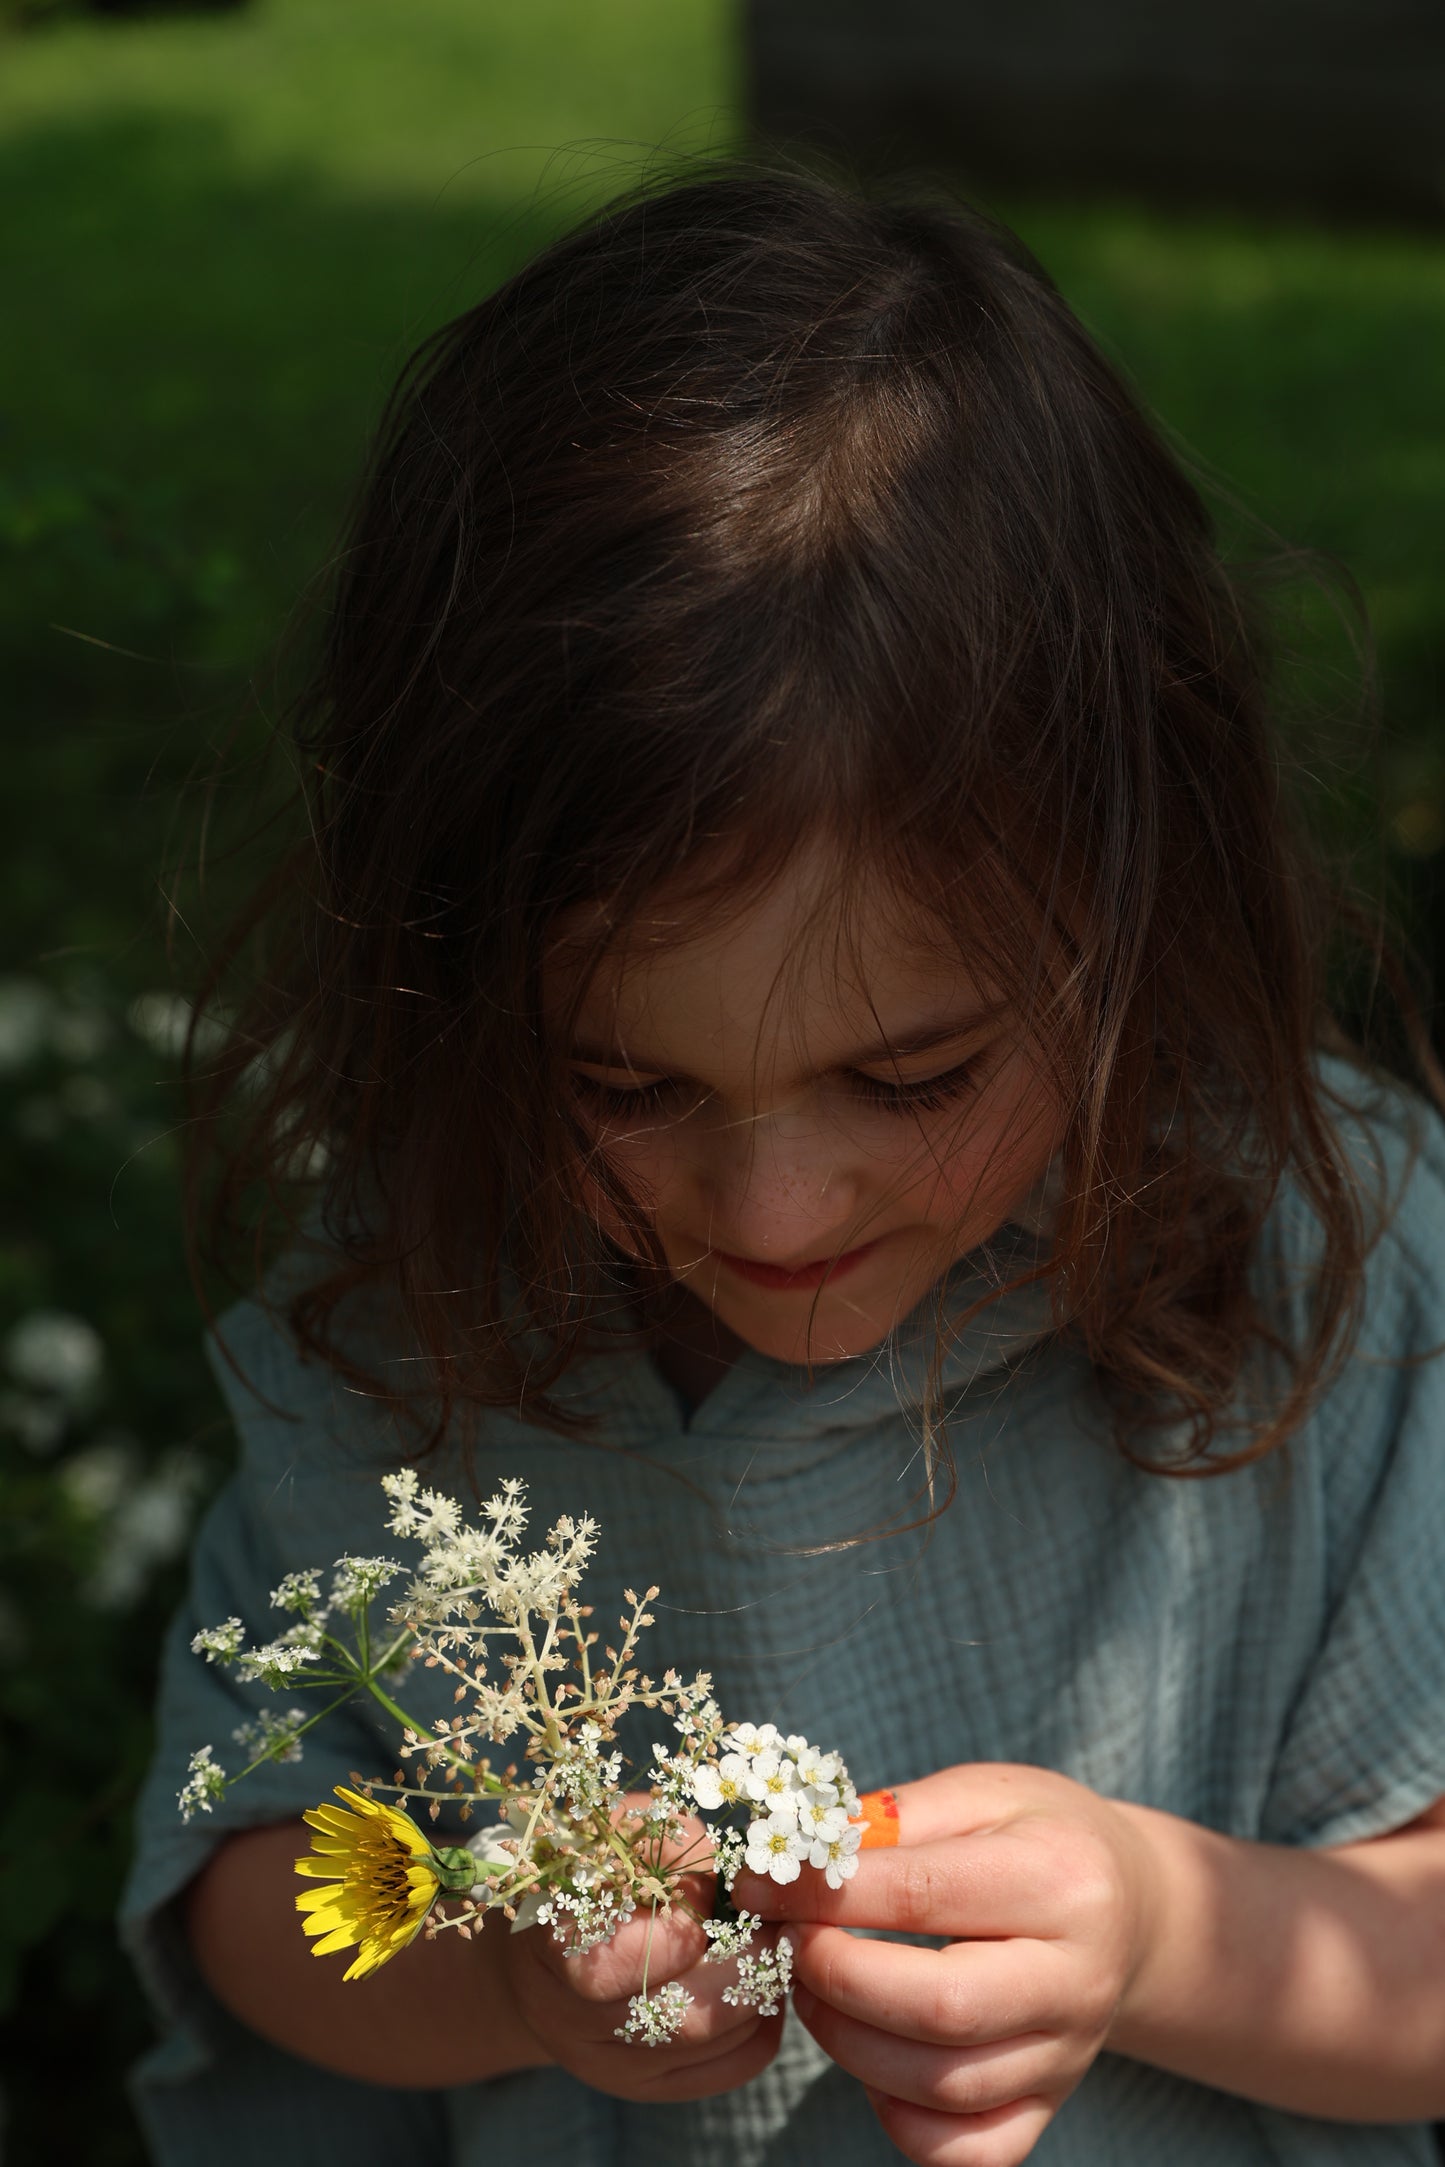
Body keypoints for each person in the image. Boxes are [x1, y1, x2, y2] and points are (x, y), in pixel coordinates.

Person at [121, 161, 1445, 2167]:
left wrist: (1172, 1929)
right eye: (623, 1083)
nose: (771, 1211)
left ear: (1130, 917)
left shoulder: (1324, 1278)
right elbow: (254, 1888)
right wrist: (500, 1966)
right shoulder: (427, 1315)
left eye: (912, 1076)